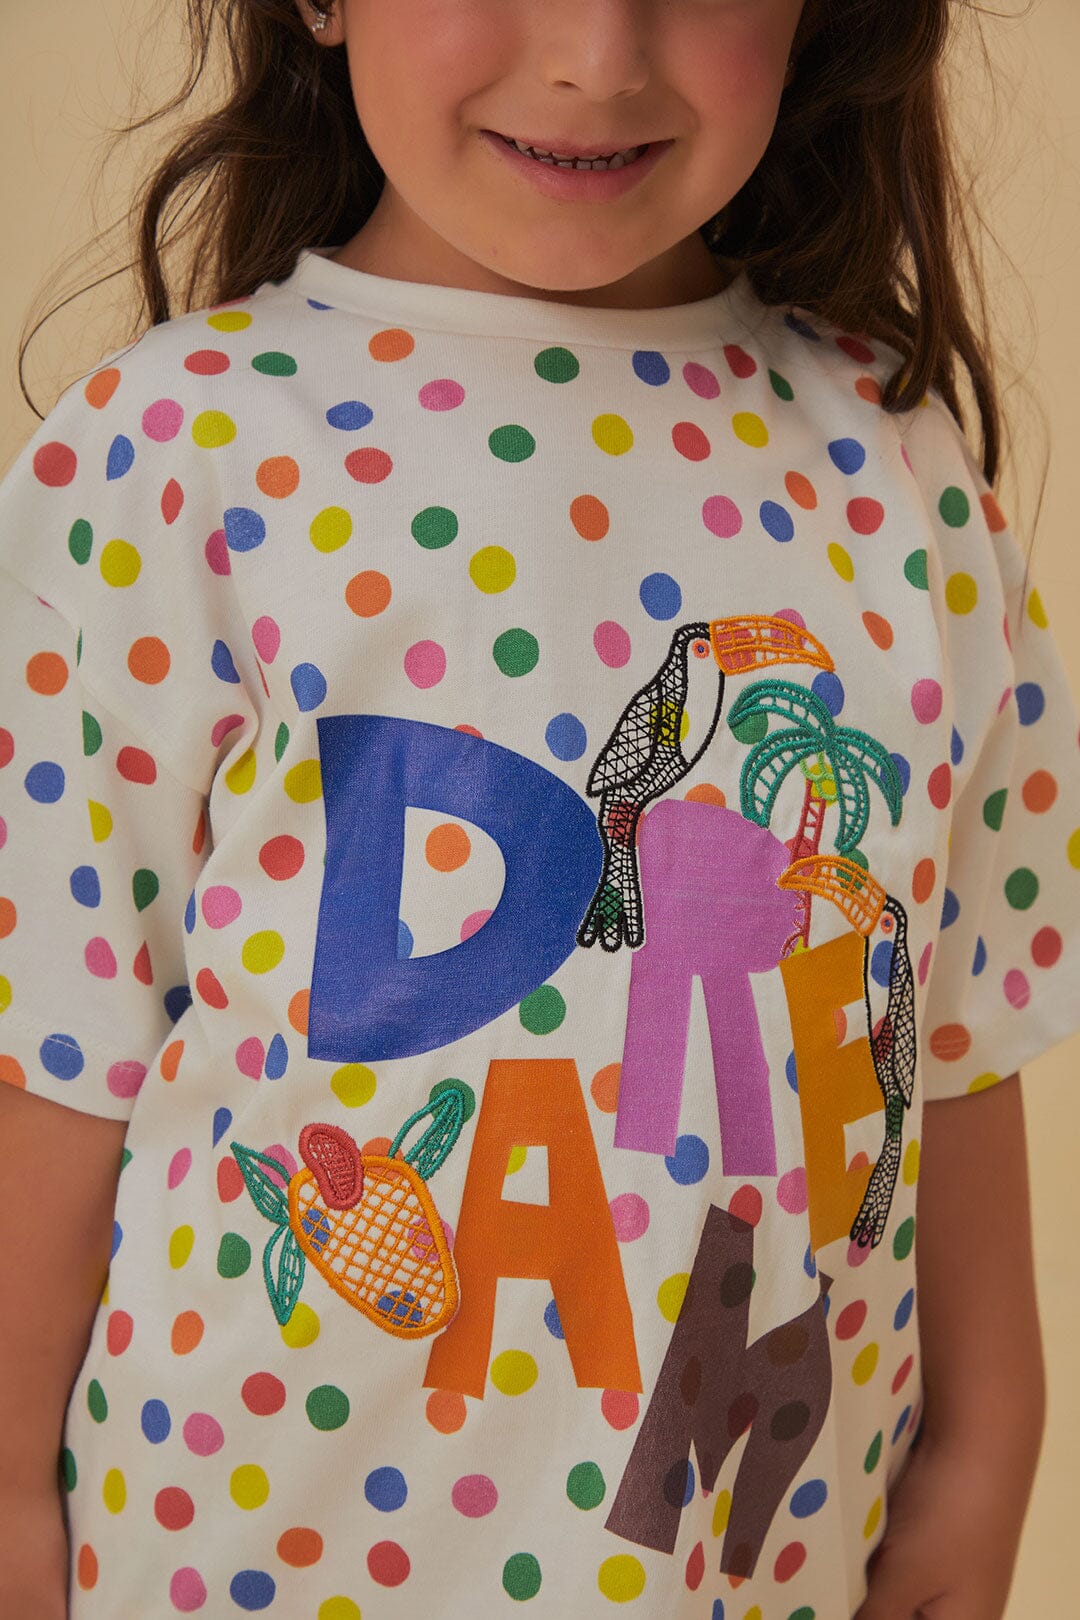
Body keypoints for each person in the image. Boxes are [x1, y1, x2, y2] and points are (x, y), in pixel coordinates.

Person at [1, 0, 1077, 1615]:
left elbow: (950, 1030)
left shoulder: (902, 475)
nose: (597, 56)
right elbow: (58, 1045)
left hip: (754, 1566)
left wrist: (984, 1447)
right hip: (239, 1560)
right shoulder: (176, 452)